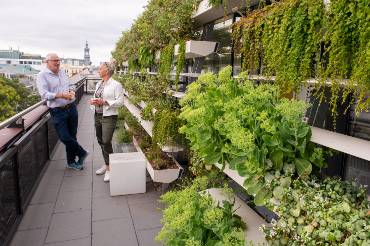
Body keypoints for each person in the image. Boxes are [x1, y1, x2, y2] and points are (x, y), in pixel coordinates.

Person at [36, 53, 88, 170]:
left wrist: (72, 91)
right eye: (54, 60)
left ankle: (71, 162)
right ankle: (82, 153)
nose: (57, 62)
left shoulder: (62, 72)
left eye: (58, 60)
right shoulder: (42, 75)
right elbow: (44, 94)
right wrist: (61, 95)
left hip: (71, 107)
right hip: (57, 111)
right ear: (47, 62)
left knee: (72, 136)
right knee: (64, 137)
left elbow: (71, 86)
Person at [91, 61, 124, 182]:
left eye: (100, 69)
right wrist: (93, 101)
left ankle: (110, 169)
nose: (98, 70)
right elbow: (97, 97)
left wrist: (105, 102)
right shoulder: (99, 83)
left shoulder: (116, 85)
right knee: (100, 140)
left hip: (109, 117)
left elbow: (120, 102)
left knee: (106, 141)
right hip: (97, 115)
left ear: (107, 70)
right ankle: (107, 164)